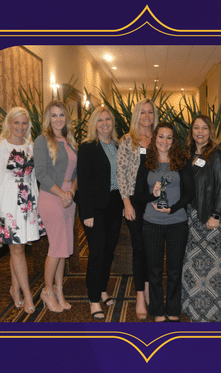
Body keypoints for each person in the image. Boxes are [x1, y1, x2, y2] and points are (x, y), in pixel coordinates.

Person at [0, 107, 45, 314]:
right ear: (9, 123)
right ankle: (27, 296)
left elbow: (35, 175)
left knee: (16, 248)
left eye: (24, 123)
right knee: (17, 249)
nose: (20, 127)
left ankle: (15, 290)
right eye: (16, 122)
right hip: (7, 204)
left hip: (27, 202)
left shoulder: (31, 145)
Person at [134, 123, 194, 322]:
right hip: (151, 224)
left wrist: (173, 209)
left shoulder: (182, 161)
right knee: (155, 269)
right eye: (161, 137)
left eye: (169, 137)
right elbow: (138, 196)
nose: (164, 141)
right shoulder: (146, 162)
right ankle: (158, 311)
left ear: (173, 140)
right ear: (155, 139)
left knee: (175, 269)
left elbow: (188, 193)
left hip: (177, 222)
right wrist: (153, 194)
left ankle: (173, 308)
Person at [181, 115, 221, 322]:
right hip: (191, 218)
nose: (200, 132)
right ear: (191, 132)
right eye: (196, 128)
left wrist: (216, 215)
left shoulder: (218, 157)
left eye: (204, 128)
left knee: (211, 267)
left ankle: (212, 312)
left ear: (210, 132)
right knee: (193, 266)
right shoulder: (188, 156)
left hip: (210, 218)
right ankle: (193, 308)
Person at [76, 107, 123, 320]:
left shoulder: (117, 145)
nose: (105, 123)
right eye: (100, 120)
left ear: (112, 122)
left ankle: (103, 289)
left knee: (109, 251)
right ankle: (94, 299)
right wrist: (86, 212)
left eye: (108, 119)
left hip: (114, 204)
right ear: (94, 124)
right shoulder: (87, 147)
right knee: (96, 253)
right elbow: (83, 183)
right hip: (94, 209)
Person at [33, 101, 78, 313]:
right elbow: (41, 173)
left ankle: (60, 291)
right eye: (54, 115)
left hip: (69, 200)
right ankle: (47, 291)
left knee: (63, 248)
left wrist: (72, 193)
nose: (58, 119)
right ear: (48, 119)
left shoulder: (70, 141)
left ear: (66, 118)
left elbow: (77, 174)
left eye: (61, 115)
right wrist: (62, 194)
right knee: (56, 248)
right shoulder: (42, 141)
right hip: (52, 198)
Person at [116, 98, 157, 320]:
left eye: (150, 112)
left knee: (153, 247)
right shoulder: (127, 140)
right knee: (139, 248)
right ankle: (140, 295)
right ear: (136, 116)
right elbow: (120, 173)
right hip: (134, 203)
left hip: (154, 202)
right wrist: (126, 203)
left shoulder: (159, 139)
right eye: (143, 113)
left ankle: (149, 287)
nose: (147, 117)